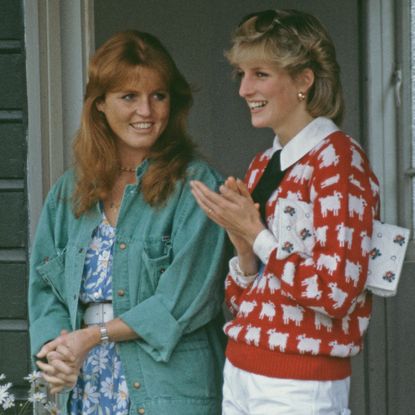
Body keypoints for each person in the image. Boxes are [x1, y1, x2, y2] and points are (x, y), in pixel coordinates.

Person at [29, 30, 229, 415]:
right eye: (129, 97)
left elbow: (182, 301)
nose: (147, 112)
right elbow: (45, 288)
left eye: (159, 95)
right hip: (87, 383)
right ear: (100, 104)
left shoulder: (197, 186)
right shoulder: (71, 190)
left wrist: (94, 336)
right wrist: (58, 352)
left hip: (167, 388)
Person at [191, 9, 380, 414]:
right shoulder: (265, 164)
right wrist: (242, 246)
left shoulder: (338, 160)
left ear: (303, 79)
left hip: (299, 382)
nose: (244, 89)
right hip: (242, 370)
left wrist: (257, 235)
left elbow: (336, 293)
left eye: (260, 73)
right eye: (241, 73)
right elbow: (248, 301)